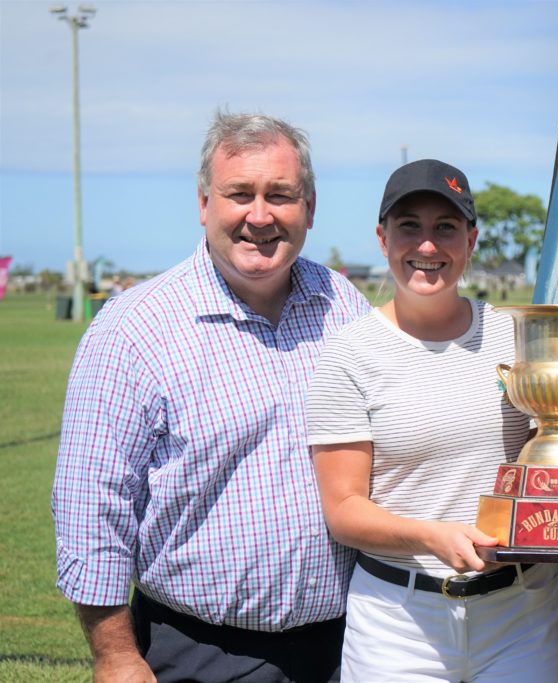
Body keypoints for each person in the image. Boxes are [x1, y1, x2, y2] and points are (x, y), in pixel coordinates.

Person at [51, 112, 371, 682]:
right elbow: (91, 504)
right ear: (204, 204)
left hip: (348, 646)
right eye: (239, 194)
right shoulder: (133, 329)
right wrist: (117, 655)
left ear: (310, 208)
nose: (260, 216)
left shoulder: (343, 306)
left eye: (281, 195)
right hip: (199, 653)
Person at [306, 159, 558, 682]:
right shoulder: (347, 354)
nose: (427, 246)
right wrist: (431, 536)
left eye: (445, 228)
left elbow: (555, 448)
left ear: (471, 241)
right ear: (382, 239)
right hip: (399, 624)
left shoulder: (515, 337)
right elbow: (344, 510)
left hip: (522, 613)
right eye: (410, 226)